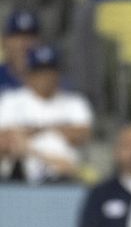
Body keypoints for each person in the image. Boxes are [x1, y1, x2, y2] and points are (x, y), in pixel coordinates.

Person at [0, 46, 93, 183]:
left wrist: (34, 131)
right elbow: (5, 140)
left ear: (58, 73)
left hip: (64, 178)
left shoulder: (75, 102)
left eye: (50, 71)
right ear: (29, 74)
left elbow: (81, 135)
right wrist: (57, 131)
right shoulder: (11, 100)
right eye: (40, 72)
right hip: (18, 176)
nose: (45, 77)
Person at [0, 10, 41, 92]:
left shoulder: (54, 82)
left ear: (40, 42)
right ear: (4, 42)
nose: (24, 45)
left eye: (30, 38)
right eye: (17, 38)